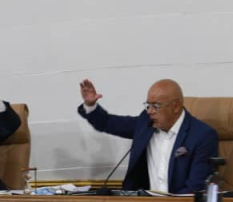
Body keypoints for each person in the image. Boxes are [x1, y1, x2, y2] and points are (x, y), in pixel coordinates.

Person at [77, 78, 218, 194]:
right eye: (148, 105)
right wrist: (91, 106)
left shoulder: (202, 136)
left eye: (156, 106)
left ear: (175, 106)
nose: (150, 111)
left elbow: (196, 188)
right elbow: (108, 123)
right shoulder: (146, 123)